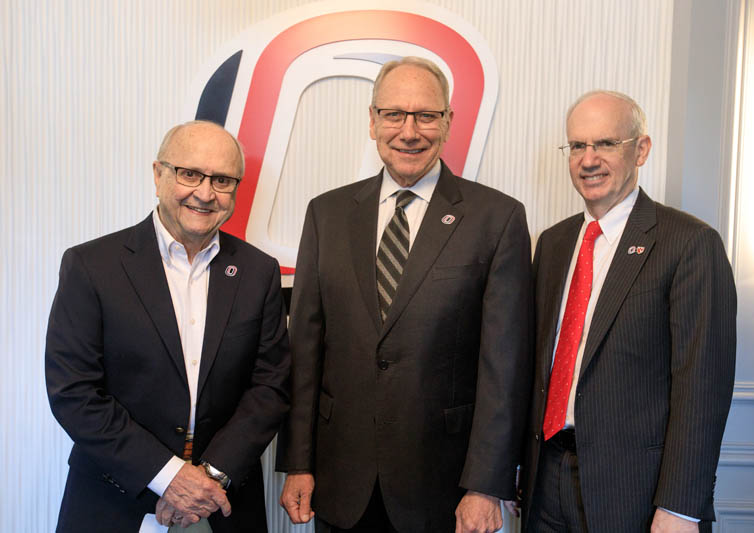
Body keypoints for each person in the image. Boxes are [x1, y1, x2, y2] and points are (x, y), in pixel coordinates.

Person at [277, 56, 532, 533]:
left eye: (426, 116)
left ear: (448, 122)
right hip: (341, 480)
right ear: (372, 120)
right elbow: (306, 351)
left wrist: (485, 485)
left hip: (444, 487)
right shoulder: (326, 214)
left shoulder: (497, 219)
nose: (409, 131)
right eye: (394, 114)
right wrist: (298, 462)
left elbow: (505, 367)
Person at [45, 120, 291, 532]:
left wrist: (208, 478)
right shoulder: (91, 266)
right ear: (158, 174)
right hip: (110, 499)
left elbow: (270, 386)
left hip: (223, 501)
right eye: (190, 173)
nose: (205, 193)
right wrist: (169, 476)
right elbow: (74, 391)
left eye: (223, 180)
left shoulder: (258, 271)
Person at [519, 90, 737, 532]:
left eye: (605, 144)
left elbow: (702, 390)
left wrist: (680, 508)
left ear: (641, 150)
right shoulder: (554, 243)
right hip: (546, 481)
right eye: (577, 145)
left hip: (634, 493)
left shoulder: (689, 244)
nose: (588, 159)